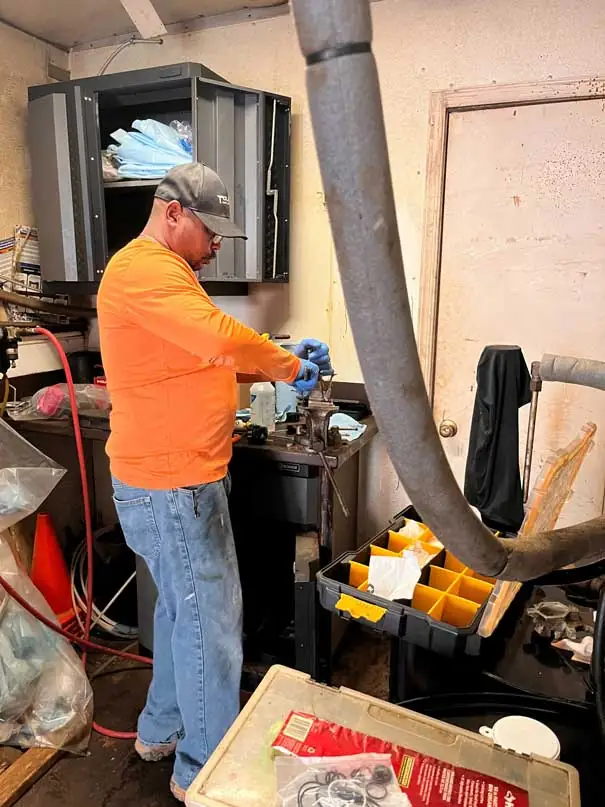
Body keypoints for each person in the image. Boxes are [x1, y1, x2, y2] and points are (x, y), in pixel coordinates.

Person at [97, 162, 332, 801]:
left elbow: (203, 361)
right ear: (172, 212)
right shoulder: (143, 269)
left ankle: (161, 731)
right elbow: (216, 336)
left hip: (171, 480)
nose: (218, 244)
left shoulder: (168, 276)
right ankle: (204, 772)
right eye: (211, 230)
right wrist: (285, 365)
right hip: (174, 486)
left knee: (183, 615)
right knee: (212, 624)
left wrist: (271, 373)